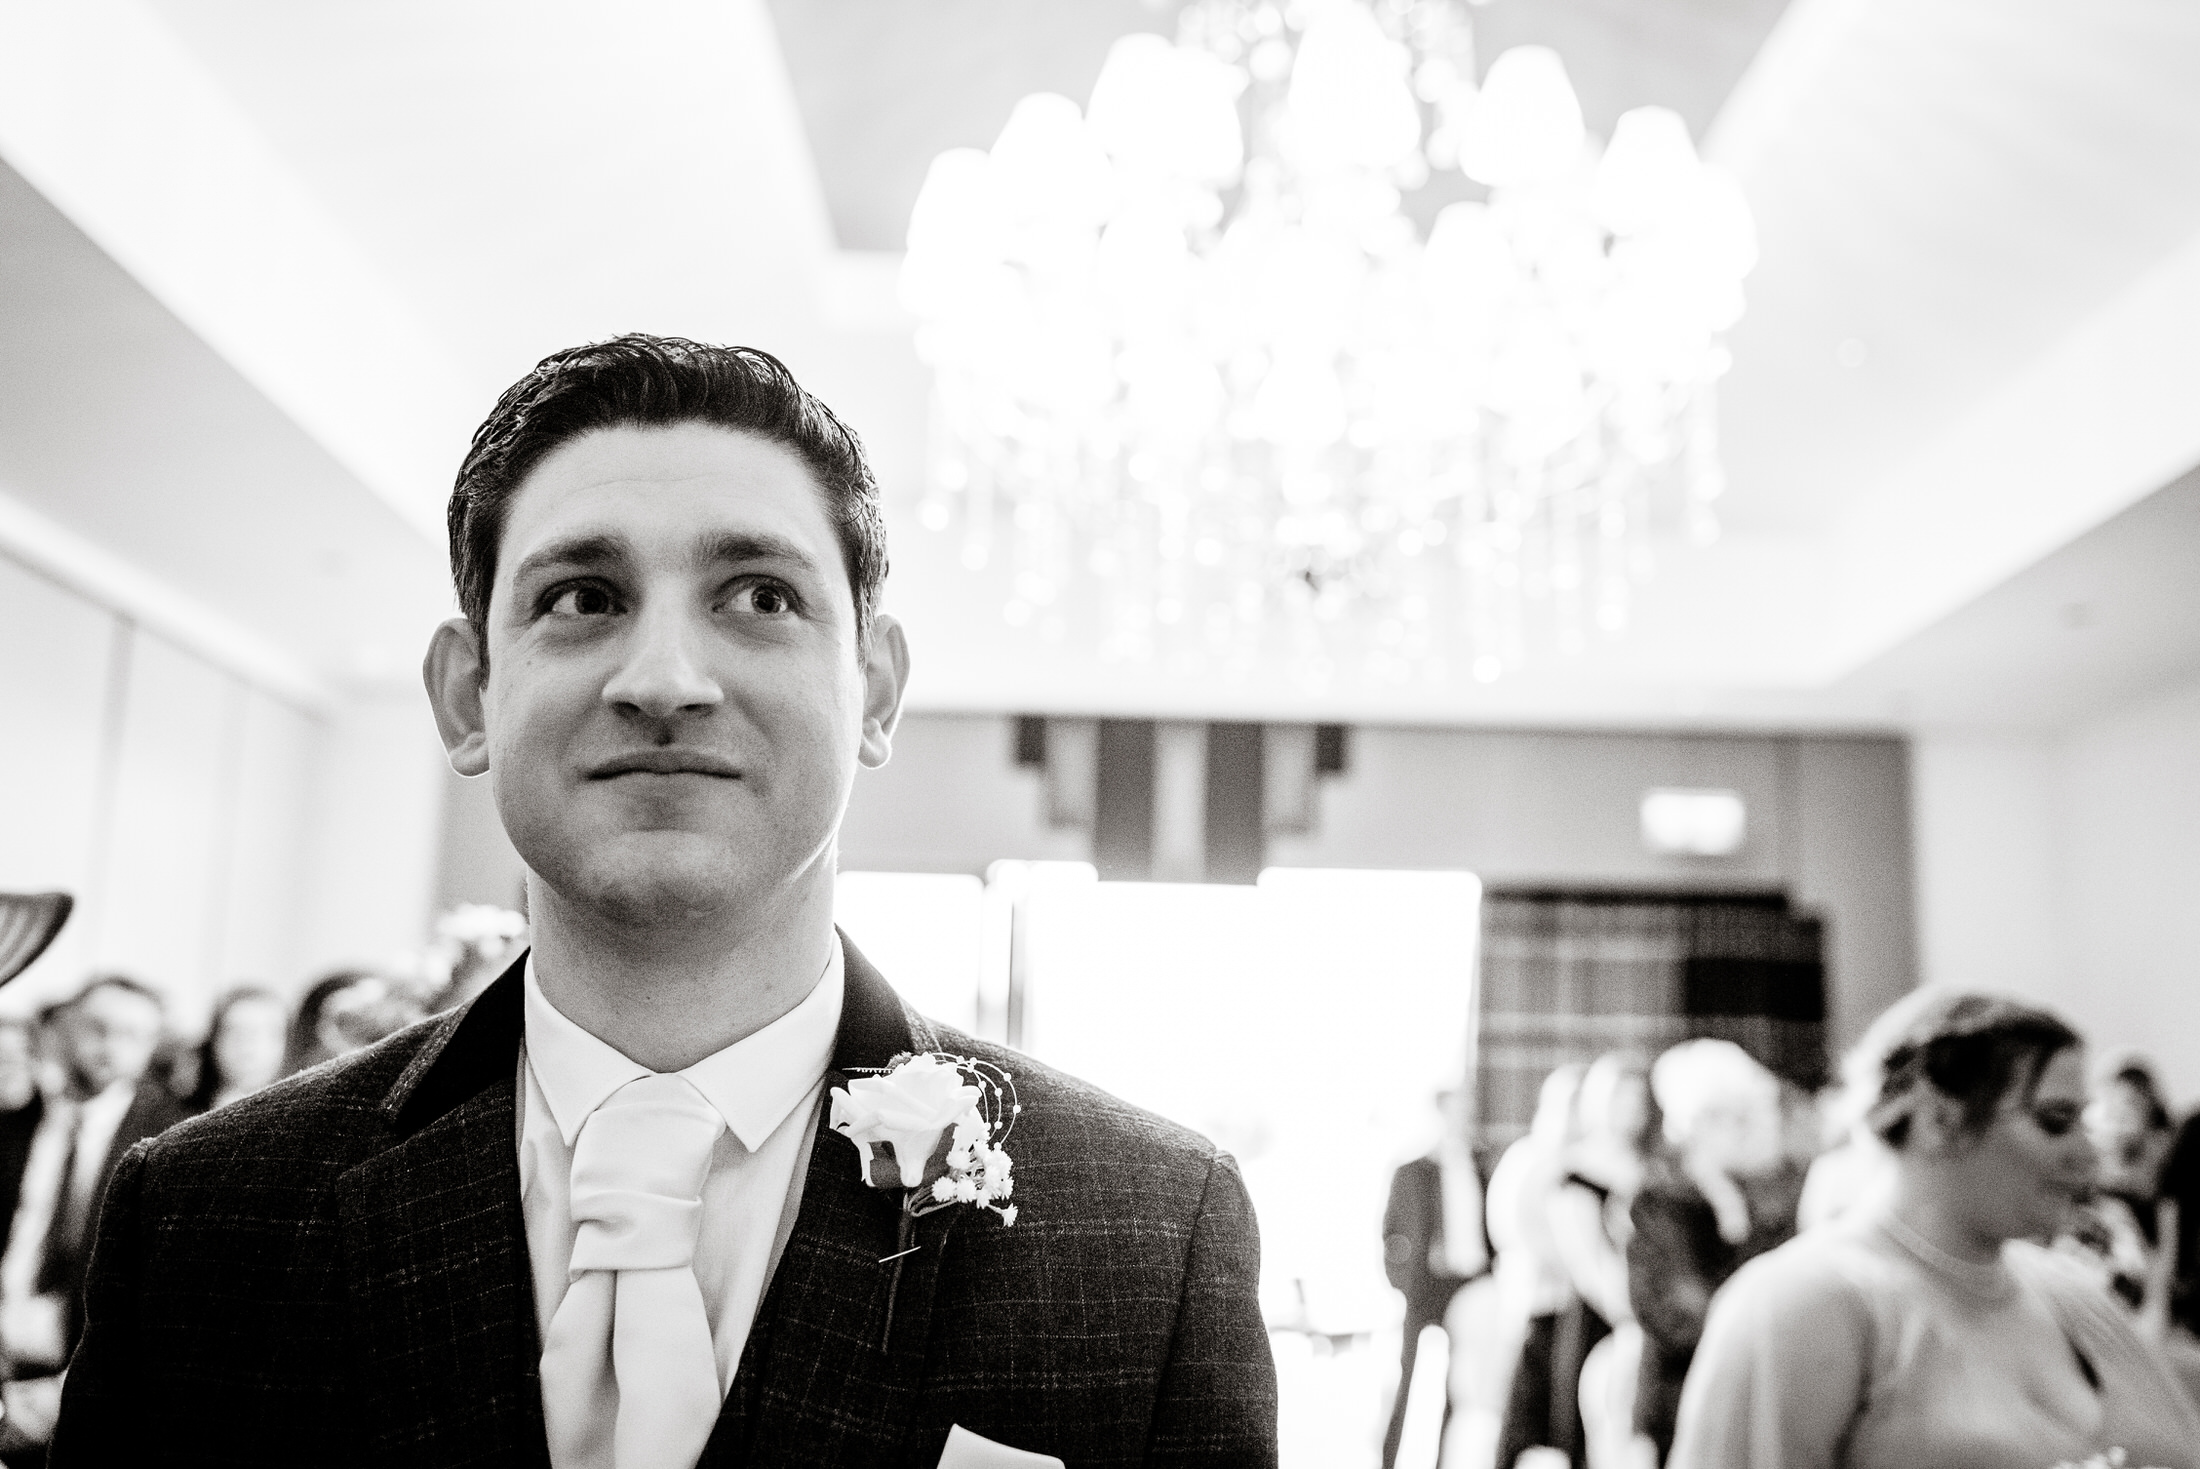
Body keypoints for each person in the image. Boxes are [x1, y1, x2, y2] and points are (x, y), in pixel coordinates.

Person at [52, 335, 1276, 1468]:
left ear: (878, 691)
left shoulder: (1147, 1231)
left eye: (759, 596)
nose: (665, 681)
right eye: (584, 596)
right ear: (470, 694)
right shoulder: (206, 1218)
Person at [1668, 990, 2200, 1469]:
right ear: (1937, 1118)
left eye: (2085, 1122)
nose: (2088, 1155)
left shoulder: (2071, 1294)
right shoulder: (1804, 1303)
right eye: (2054, 1121)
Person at [0, 976, 189, 1458]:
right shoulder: (19, 1118)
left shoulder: (175, 1142)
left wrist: (71, 1391)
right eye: (99, 1027)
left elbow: (166, 1297)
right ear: (63, 1028)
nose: (111, 1046)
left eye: (133, 1035)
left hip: (81, 1383)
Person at [1626, 1040, 1801, 1464]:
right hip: (1682, 1402)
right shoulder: (1661, 1202)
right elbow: (1680, 1313)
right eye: (1738, 1118)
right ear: (1698, 1124)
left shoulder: (1765, 1199)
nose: (1753, 1129)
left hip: (1758, 1403)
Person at [1380, 1087, 1490, 1469]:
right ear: (1440, 1114)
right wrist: (1402, 1281)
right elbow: (1391, 1233)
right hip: (1426, 1285)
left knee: (1462, 1385)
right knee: (1408, 1379)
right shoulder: (1412, 1169)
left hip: (1472, 1287)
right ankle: (1389, 1460)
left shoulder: (1484, 1166)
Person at [1491, 1062, 1588, 1469]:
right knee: (1523, 1414)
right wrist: (1572, 1257)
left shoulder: (1586, 1159)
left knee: (1567, 1416)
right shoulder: (1528, 1157)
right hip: (1536, 1303)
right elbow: (1511, 1227)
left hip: (1576, 1306)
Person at [183, 987, 291, 1114]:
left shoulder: (305, 1117)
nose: (249, 1044)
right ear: (213, 1041)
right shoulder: (173, 1115)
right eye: (236, 1031)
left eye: (266, 1032)